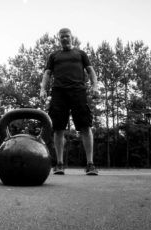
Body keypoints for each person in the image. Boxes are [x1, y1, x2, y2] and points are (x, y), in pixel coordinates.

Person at [40, 28, 99, 175]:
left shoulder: (80, 54)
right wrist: (43, 89)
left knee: (85, 126)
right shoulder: (53, 55)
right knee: (58, 128)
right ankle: (59, 164)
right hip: (59, 92)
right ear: (59, 39)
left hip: (78, 91)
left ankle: (90, 164)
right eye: (62, 37)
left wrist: (95, 87)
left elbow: (91, 71)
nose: (64, 39)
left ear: (72, 37)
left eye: (67, 36)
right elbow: (47, 73)